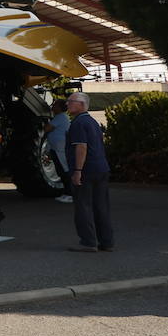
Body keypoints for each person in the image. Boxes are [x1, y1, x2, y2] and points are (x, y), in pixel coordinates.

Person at [64, 91, 113, 251]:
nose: (68, 104)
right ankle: (106, 241)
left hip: (86, 170)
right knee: (101, 206)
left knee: (83, 206)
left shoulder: (78, 123)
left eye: (71, 101)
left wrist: (77, 170)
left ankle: (88, 242)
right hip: (101, 168)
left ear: (82, 105)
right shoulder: (92, 122)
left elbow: (81, 147)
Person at [46, 99, 73, 203]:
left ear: (60, 107)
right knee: (61, 170)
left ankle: (70, 194)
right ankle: (66, 193)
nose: (53, 106)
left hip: (60, 149)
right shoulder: (60, 117)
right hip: (56, 148)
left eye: (55, 105)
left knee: (64, 170)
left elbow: (47, 128)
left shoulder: (60, 117)